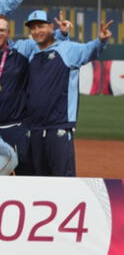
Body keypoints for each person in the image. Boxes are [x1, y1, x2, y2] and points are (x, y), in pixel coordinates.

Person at [0, 14, 71, 175]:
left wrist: (62, 34)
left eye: (2, 30)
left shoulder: (22, 49)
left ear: (8, 32)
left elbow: (44, 40)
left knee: (26, 173)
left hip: (18, 128)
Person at [25, 10, 111, 176]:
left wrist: (101, 40)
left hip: (59, 128)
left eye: (41, 26)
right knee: (37, 182)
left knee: (64, 182)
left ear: (51, 26)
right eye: (33, 28)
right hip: (35, 129)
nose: (37, 31)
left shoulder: (67, 49)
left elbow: (90, 50)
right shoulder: (32, 54)